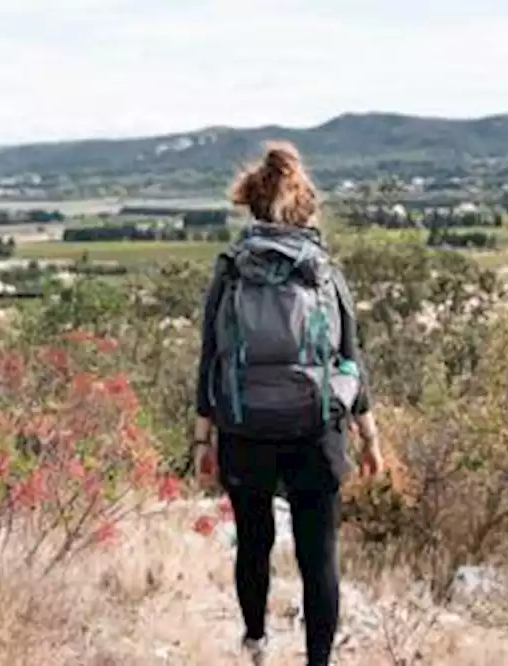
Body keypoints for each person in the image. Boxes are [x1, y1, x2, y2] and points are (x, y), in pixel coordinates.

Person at [191, 141, 385, 666]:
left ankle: (256, 644)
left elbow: (211, 353)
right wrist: (370, 438)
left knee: (253, 543)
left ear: (252, 204)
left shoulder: (232, 269)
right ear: (307, 206)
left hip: (244, 424)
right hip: (315, 428)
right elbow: (351, 358)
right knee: (318, 555)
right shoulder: (323, 270)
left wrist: (203, 440)